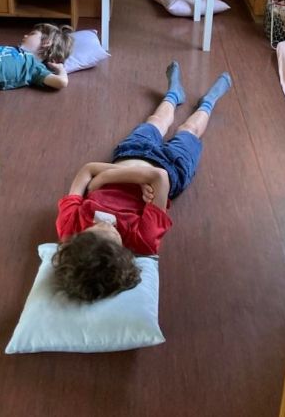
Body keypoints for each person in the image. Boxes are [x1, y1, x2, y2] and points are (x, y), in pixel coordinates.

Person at [53, 62, 232, 301]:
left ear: (77, 240)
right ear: (124, 254)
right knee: (189, 130)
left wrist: (112, 177)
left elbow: (86, 169)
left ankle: (173, 94)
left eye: (96, 229)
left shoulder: (69, 226)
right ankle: (209, 102)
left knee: (155, 121)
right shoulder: (141, 241)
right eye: (113, 235)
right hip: (172, 168)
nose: (107, 226)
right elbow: (160, 177)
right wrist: (104, 178)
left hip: (130, 153)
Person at [0, 23, 73, 91]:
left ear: (46, 42)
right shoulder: (15, 49)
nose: (25, 35)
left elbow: (62, 82)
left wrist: (61, 69)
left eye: (32, 34)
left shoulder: (34, 66)